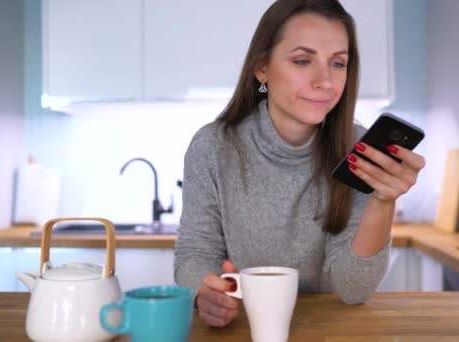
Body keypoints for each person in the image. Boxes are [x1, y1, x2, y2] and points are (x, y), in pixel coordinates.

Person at [174, 0, 426, 328]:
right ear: (262, 67)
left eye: (338, 63)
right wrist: (203, 293)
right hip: (249, 326)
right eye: (303, 60)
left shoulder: (358, 150)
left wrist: (383, 201)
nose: (325, 81)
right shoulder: (213, 146)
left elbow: (353, 290)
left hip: (331, 328)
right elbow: (195, 251)